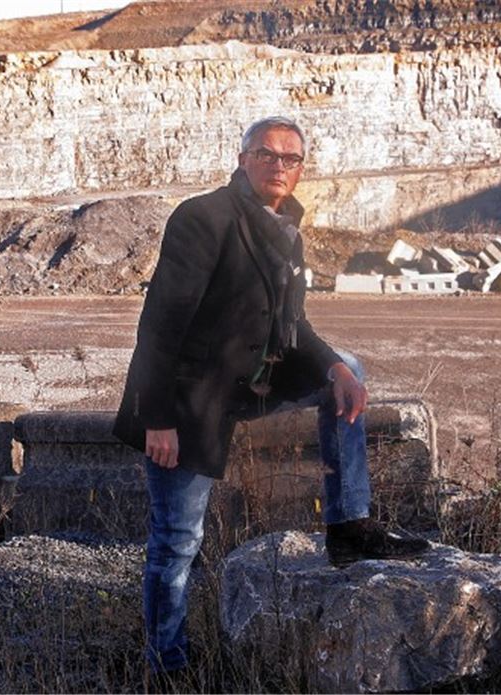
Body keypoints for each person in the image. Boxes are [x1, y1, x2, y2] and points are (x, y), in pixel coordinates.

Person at [113, 116, 429, 676]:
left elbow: (294, 326)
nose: (279, 166)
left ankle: (349, 526)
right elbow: (159, 324)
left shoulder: (286, 227)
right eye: (266, 154)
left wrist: (333, 367)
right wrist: (157, 419)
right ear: (242, 159)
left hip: (255, 385)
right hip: (193, 401)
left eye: (291, 159)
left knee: (347, 368)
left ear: (301, 169)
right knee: (178, 540)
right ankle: (164, 664)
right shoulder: (202, 217)